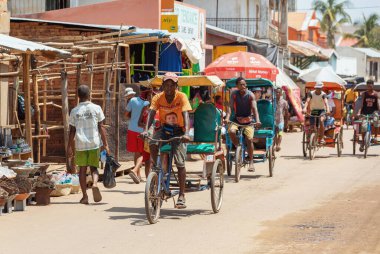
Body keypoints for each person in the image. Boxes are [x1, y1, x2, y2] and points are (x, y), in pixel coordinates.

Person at [142, 72, 192, 209]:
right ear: (163, 86)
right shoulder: (158, 97)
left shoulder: (182, 97)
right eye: (166, 85)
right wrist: (146, 130)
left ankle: (182, 194)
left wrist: (187, 133)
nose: (169, 88)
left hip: (179, 131)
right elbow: (151, 113)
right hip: (165, 130)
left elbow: (186, 114)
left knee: (180, 163)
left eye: (172, 85)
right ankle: (156, 168)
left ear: (176, 86)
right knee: (151, 141)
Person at [67, 85, 109, 205]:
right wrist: (105, 144)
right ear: (89, 94)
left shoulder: (74, 111)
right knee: (94, 168)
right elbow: (101, 127)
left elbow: (72, 131)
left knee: (82, 170)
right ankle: (95, 184)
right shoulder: (96, 108)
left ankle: (85, 196)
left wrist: (69, 146)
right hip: (94, 143)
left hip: (80, 144)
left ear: (78, 96)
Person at [226, 77, 261, 172]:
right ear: (237, 86)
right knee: (231, 131)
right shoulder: (234, 94)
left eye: (244, 84)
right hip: (237, 119)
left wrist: (257, 120)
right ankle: (238, 147)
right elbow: (230, 107)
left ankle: (251, 161)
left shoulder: (250, 95)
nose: (243, 86)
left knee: (249, 139)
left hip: (249, 120)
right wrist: (227, 117)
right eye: (241, 84)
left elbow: (255, 109)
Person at [125, 86, 151, 184]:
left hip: (132, 128)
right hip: (143, 130)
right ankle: (135, 171)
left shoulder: (132, 100)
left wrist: (133, 118)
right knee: (143, 153)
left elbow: (126, 114)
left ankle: (138, 175)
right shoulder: (148, 103)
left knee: (136, 152)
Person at [355, 79, 380, 150]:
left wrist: (379, 111)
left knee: (376, 120)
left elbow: (378, 104)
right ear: (367, 86)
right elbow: (362, 104)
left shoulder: (376, 94)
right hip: (365, 112)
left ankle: (375, 137)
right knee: (363, 127)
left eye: (370, 85)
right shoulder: (364, 94)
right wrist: (359, 112)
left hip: (374, 112)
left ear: (372, 85)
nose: (369, 86)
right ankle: (363, 142)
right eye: (368, 85)